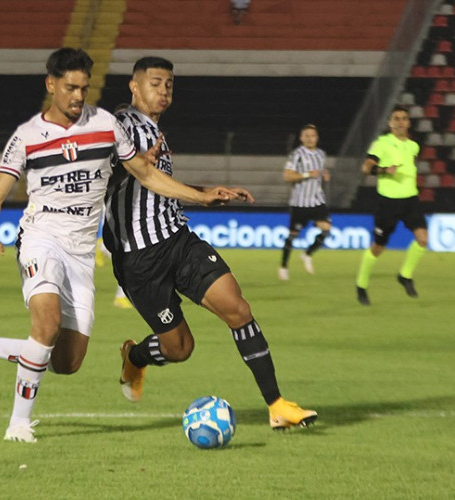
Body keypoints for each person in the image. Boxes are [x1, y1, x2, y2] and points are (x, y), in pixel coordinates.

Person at [0, 48, 240, 443]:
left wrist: (201, 196)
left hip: (81, 251)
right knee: (46, 325)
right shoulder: (28, 136)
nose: (77, 96)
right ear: (51, 84)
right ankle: (19, 423)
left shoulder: (105, 125)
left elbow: (147, 175)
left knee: (66, 362)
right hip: (41, 237)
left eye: (84, 89)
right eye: (70, 87)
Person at [104, 56, 318, 430]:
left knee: (237, 308)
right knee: (180, 349)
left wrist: (206, 191)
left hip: (177, 239)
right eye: (155, 83)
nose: (164, 90)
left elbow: (158, 190)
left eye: (169, 84)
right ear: (134, 87)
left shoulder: (156, 131)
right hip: (140, 259)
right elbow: (107, 181)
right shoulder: (119, 126)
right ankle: (135, 356)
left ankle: (277, 405)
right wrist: (139, 171)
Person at [356, 105, 427, 306]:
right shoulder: (382, 144)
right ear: (390, 123)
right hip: (387, 202)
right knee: (378, 247)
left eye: (404, 118)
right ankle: (361, 285)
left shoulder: (413, 146)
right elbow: (365, 168)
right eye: (396, 118)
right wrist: (385, 170)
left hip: (410, 200)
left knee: (422, 239)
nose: (400, 121)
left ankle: (404, 275)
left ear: (408, 122)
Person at [279, 124, 332, 280]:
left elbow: (319, 175)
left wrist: (325, 177)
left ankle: (307, 254)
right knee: (292, 236)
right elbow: (287, 176)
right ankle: (283, 266)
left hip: (317, 200)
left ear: (317, 138)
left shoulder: (322, 154)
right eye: (306, 135)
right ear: (301, 138)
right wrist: (307, 174)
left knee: (327, 229)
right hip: (299, 203)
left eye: (312, 135)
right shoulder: (297, 155)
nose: (310, 138)